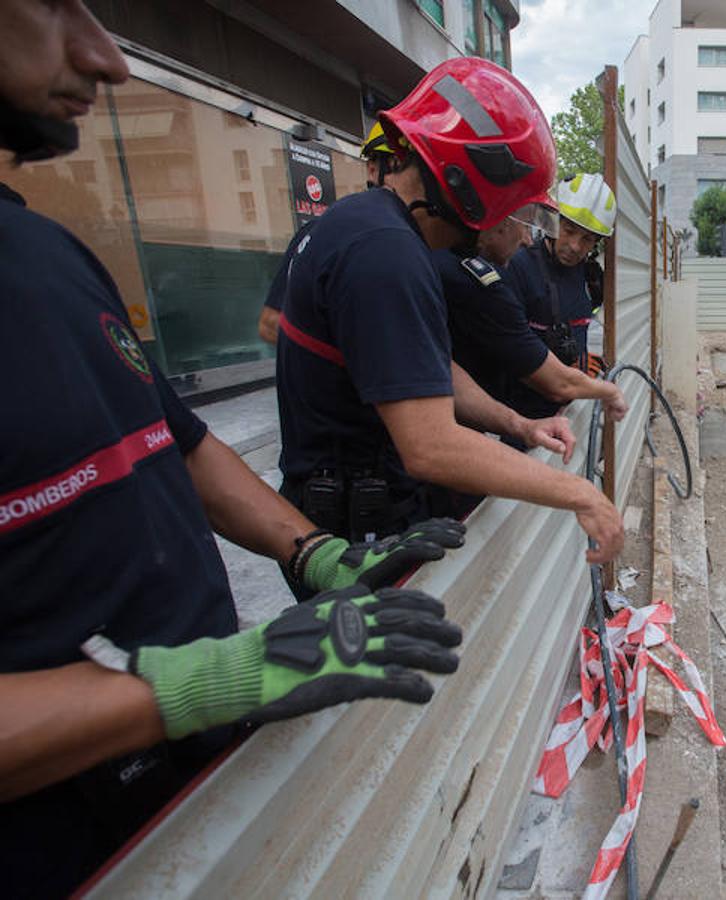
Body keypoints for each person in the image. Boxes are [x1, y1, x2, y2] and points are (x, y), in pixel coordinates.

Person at [0, 3, 466, 895]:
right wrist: (201, 682)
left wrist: (315, 551)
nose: (107, 57)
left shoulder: (47, 253)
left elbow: (176, 442)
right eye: (53, 3)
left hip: (183, 785)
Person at [274, 56, 624, 560]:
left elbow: (425, 371)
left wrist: (517, 424)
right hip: (354, 535)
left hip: (362, 510)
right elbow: (431, 445)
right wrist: (581, 494)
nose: (526, 237)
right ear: (474, 189)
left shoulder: (376, 229)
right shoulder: (385, 253)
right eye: (516, 212)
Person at [484, 172, 618, 422]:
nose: (575, 246)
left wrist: (581, 361)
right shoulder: (518, 268)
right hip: (522, 419)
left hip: (570, 408)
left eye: (587, 239)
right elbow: (507, 350)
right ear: (552, 221)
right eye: (569, 230)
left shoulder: (591, 277)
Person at [258, 124, 396, 345]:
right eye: (398, 165)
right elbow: (270, 324)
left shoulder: (429, 244)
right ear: (372, 169)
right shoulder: (324, 234)